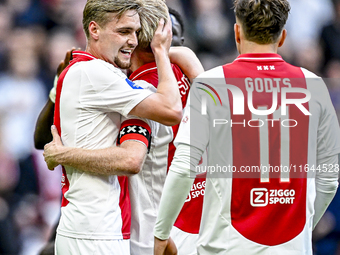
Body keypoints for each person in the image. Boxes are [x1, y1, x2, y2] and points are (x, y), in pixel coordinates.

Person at [153, 0, 340, 254]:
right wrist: (303, 228)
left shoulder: (212, 84)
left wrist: (161, 233)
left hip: (226, 246)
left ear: (237, 33)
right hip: (292, 246)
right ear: (282, 37)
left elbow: (184, 167)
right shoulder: (315, 86)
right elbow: (329, 179)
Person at [45, 0, 184, 253]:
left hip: (99, 226)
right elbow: (170, 112)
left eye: (135, 32)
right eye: (123, 31)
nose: (132, 40)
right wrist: (163, 52)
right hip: (92, 230)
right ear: (94, 30)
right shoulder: (94, 72)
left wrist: (62, 155)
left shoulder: (103, 75)